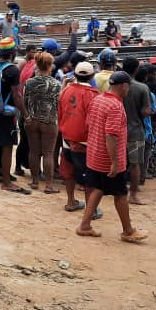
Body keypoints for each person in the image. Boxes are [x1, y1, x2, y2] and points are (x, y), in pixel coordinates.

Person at [76, 71, 148, 243]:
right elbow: (111, 136)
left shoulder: (99, 99)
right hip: (107, 159)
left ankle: (85, 225)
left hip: (95, 155)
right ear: (124, 86)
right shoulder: (116, 106)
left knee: (98, 189)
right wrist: (115, 162)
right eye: (128, 86)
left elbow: (89, 124)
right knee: (121, 194)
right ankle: (128, 231)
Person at [58, 62, 101, 214]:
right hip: (85, 140)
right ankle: (91, 210)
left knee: (69, 172)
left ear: (74, 75)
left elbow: (60, 113)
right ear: (91, 76)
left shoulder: (65, 91)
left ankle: (71, 202)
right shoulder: (93, 94)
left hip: (67, 136)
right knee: (89, 175)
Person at [0, 37, 26, 193]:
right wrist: (25, 113)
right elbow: (17, 95)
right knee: (7, 145)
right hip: (6, 111)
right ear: (13, 52)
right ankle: (7, 182)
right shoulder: (12, 70)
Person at [23, 52, 61, 194]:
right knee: (48, 153)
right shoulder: (56, 84)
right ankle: (49, 185)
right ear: (50, 66)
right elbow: (59, 104)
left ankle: (34, 181)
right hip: (50, 120)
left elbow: (25, 101)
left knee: (34, 151)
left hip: (32, 119)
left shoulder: (29, 82)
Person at [121, 57, 152, 205]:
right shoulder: (142, 88)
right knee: (135, 164)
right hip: (135, 130)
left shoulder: (114, 85)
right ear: (136, 69)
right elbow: (146, 111)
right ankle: (133, 195)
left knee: (116, 162)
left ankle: (115, 190)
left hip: (117, 130)